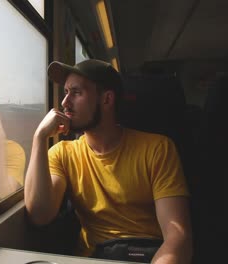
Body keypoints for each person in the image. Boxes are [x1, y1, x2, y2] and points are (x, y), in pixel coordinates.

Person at [24, 59, 192, 263]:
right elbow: (40, 214)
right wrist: (39, 138)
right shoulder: (62, 153)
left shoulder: (157, 148)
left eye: (76, 93)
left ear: (106, 99)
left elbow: (178, 237)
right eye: (66, 92)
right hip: (93, 257)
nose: (64, 103)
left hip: (151, 256)